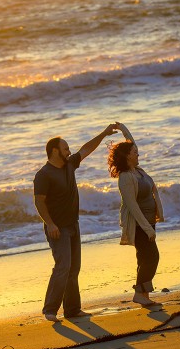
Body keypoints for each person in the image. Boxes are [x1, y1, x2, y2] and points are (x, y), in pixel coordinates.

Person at [34, 123, 120, 322]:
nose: (69, 151)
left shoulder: (69, 165)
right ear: (55, 151)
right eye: (65, 148)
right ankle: (50, 310)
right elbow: (39, 201)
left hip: (73, 224)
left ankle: (72, 309)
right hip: (57, 228)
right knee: (63, 266)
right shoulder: (44, 174)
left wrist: (104, 133)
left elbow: (86, 149)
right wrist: (50, 224)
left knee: (74, 269)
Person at [107, 122, 164, 306]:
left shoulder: (137, 170)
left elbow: (132, 144)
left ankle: (144, 295)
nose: (137, 153)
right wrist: (147, 229)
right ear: (127, 157)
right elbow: (132, 206)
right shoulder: (125, 177)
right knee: (152, 257)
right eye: (134, 153)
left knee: (144, 258)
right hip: (139, 224)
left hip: (147, 221)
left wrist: (123, 128)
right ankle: (139, 293)